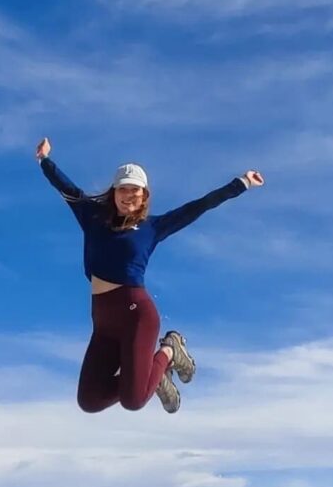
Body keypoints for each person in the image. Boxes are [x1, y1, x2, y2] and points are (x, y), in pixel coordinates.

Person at [36, 137, 265, 414]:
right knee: (90, 400)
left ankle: (169, 350)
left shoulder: (152, 227)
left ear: (144, 195)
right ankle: (151, 377)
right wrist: (44, 160)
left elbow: (198, 206)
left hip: (136, 314)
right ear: (114, 192)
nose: (128, 195)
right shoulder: (92, 215)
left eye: (135, 190)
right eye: (123, 189)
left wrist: (240, 183)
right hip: (103, 321)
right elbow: (66, 187)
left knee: (134, 400)